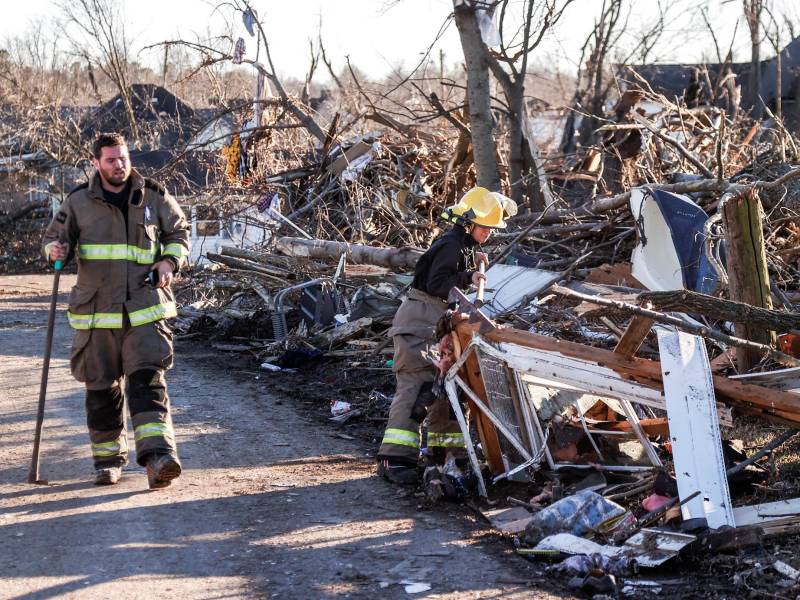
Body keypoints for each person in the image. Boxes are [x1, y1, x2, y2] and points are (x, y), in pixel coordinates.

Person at [42, 132, 190, 489]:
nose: (119, 165)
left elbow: (180, 232)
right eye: (111, 159)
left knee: (147, 383)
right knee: (101, 388)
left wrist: (170, 262)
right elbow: (53, 239)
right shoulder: (77, 202)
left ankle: (158, 459)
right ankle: (107, 462)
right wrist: (55, 252)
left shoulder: (153, 195)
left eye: (123, 158)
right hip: (96, 314)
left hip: (145, 311)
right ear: (96, 163)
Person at [377, 187, 516, 484]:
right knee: (415, 387)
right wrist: (469, 276)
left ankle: (444, 455)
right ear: (468, 223)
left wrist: (471, 261)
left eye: (491, 229)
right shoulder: (452, 245)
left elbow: (446, 272)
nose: (488, 234)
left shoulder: (458, 244)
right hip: (418, 322)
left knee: (443, 387)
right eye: (485, 228)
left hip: (433, 322)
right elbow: (438, 283)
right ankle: (394, 459)